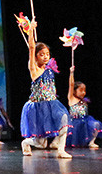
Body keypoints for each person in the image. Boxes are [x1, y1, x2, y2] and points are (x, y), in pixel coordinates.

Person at [17, 19, 71, 159]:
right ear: (36, 57)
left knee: (64, 120)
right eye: (42, 54)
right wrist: (30, 31)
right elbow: (31, 48)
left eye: (47, 54)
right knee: (40, 143)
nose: (46, 56)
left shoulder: (49, 69)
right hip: (38, 107)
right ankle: (26, 143)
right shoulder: (34, 69)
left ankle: (61, 150)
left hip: (52, 104)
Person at [65, 67, 102, 149]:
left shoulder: (84, 100)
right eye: (81, 90)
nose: (83, 92)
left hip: (85, 120)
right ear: (74, 91)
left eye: (84, 90)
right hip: (74, 122)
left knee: (96, 124)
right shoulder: (71, 98)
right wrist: (71, 73)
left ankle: (91, 142)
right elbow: (71, 85)